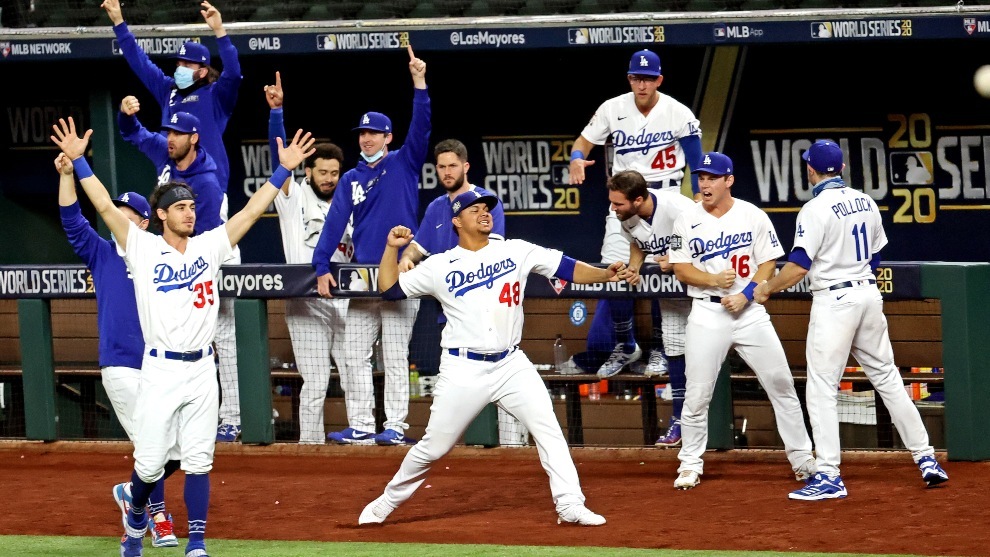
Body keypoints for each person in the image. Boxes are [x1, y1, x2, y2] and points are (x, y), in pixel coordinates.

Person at [52, 116, 315, 557]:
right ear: (161, 214)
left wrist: (282, 171)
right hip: (158, 367)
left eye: (192, 206)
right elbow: (102, 206)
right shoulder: (142, 246)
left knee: (197, 460)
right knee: (151, 462)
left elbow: (251, 212)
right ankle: (136, 518)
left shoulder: (209, 245)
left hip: (200, 369)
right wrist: (79, 164)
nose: (190, 212)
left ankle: (196, 542)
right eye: (180, 207)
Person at [360, 190, 623, 526]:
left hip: (511, 364)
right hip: (463, 368)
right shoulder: (440, 264)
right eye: (475, 210)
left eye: (487, 208)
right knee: (433, 448)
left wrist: (604, 274)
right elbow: (390, 289)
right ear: (457, 221)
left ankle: (570, 504)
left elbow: (566, 267)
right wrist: (390, 249)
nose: (484, 213)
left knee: (548, 430)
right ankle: (387, 501)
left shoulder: (515, 250)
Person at [754, 140, 948, 500]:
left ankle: (828, 474)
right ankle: (926, 458)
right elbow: (875, 258)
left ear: (811, 170)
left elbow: (797, 266)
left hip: (836, 300)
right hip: (868, 295)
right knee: (888, 378)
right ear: (841, 169)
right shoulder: (866, 201)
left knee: (822, 387)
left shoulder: (814, 208)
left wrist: (766, 289)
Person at [103, 0, 244, 442]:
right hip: (177, 217)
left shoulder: (214, 95)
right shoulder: (168, 99)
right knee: (189, 327)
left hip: (207, 212)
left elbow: (235, 75)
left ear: (203, 69)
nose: (181, 67)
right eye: (179, 61)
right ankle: (196, 418)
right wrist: (121, 25)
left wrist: (220, 32)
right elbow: (139, 64)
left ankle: (233, 415)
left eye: (189, 62)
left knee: (222, 326)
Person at [667, 152, 814, 490]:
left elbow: (769, 263)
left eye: (712, 177)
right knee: (697, 394)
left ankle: (803, 458)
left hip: (749, 314)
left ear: (728, 180)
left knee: (781, 385)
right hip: (706, 312)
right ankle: (690, 463)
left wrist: (746, 294)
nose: (704, 183)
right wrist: (713, 281)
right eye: (701, 177)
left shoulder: (752, 215)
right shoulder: (686, 219)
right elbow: (681, 268)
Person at [56, 157, 180, 548]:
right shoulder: (101, 253)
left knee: (176, 447)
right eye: (116, 212)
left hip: (161, 364)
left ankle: (132, 494)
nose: (119, 219)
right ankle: (157, 515)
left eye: (129, 215)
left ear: (144, 223)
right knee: (151, 446)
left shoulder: (159, 255)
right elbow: (72, 219)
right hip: (122, 364)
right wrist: (65, 176)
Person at [313, 45, 429, 446]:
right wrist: (320, 265)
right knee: (353, 354)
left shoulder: (403, 161)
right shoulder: (350, 179)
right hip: (363, 275)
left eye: (373, 133)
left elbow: (422, 129)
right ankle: (362, 425)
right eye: (362, 133)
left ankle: (395, 426)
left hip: (398, 274)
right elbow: (333, 224)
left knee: (396, 357)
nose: (366, 138)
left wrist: (419, 84)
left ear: (388, 136)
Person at [568, 48, 704, 372]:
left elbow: (697, 160)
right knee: (615, 271)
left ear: (659, 79)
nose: (641, 85)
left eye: (647, 78)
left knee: (663, 273)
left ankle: (659, 346)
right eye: (635, 78)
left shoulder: (677, 112)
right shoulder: (612, 108)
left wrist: (699, 200)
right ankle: (625, 344)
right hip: (626, 205)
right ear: (629, 78)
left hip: (666, 202)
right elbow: (582, 143)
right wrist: (576, 158)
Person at [116, 99, 239, 442]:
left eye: (178, 134)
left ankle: (233, 416)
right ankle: (195, 415)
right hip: (179, 252)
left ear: (194, 138)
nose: (170, 138)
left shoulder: (208, 183)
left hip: (214, 254)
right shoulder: (166, 154)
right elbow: (133, 134)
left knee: (222, 339)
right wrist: (126, 115)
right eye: (169, 131)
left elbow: (209, 239)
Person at [396, 138, 527, 446]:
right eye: (441, 166)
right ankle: (448, 449)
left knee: (509, 386)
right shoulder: (437, 208)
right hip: (456, 314)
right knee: (459, 390)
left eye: (453, 165)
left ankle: (514, 448)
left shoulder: (485, 202)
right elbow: (419, 245)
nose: (446, 171)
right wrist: (407, 257)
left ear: (465, 166)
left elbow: (489, 251)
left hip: (492, 311)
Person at [265, 71, 353, 445]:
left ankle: (362, 439)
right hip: (305, 299)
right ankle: (310, 447)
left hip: (348, 300)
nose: (330, 178)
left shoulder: (351, 199)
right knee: (316, 381)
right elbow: (280, 161)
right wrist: (277, 113)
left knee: (354, 374)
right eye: (323, 172)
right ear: (308, 170)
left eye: (335, 172)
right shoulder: (293, 195)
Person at [605, 170, 696, 447]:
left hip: (703, 292)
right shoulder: (627, 217)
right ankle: (680, 421)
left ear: (639, 199)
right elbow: (638, 243)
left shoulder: (678, 207)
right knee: (676, 353)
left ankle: (701, 425)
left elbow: (708, 237)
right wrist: (635, 267)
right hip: (672, 297)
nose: (613, 208)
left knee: (705, 357)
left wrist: (679, 257)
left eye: (618, 203)